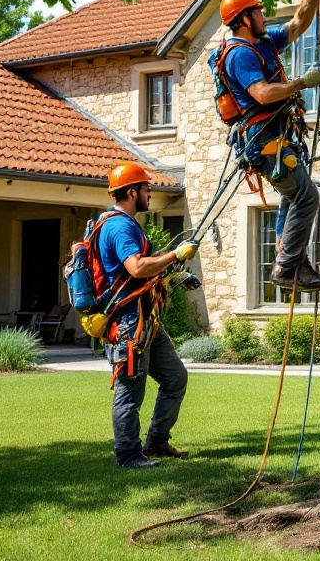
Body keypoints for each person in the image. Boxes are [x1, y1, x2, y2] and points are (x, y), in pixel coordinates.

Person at [209, 0, 320, 292]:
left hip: (278, 138)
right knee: (306, 196)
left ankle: (296, 264)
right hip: (264, 142)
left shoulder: (262, 43)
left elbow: (299, 23)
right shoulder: (238, 55)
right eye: (258, 12)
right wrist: (302, 82)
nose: (264, 16)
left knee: (293, 199)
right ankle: (286, 268)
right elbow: (263, 94)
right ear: (243, 19)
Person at [98, 162, 200, 469]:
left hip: (146, 320)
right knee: (130, 390)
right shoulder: (118, 226)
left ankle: (157, 441)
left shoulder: (127, 224)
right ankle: (129, 456)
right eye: (146, 188)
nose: (150, 193)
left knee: (175, 377)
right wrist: (174, 254)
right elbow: (137, 268)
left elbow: (146, 267)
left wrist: (176, 272)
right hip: (128, 324)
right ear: (132, 192)